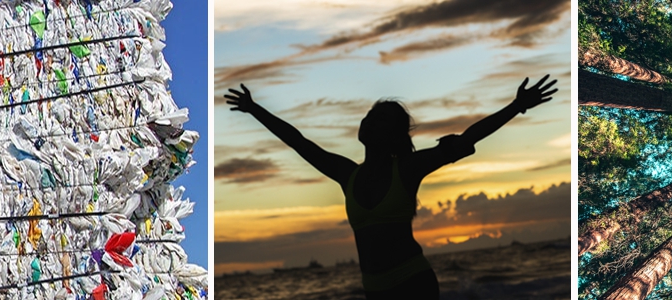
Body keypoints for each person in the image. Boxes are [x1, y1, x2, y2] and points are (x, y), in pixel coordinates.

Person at [223, 75, 558, 299]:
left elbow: (469, 137)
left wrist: (517, 106)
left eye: (380, 117)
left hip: (414, 283)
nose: (369, 120)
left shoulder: (408, 168)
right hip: (375, 291)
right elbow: (298, 141)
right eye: (369, 115)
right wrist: (254, 109)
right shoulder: (346, 173)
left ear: (394, 133)